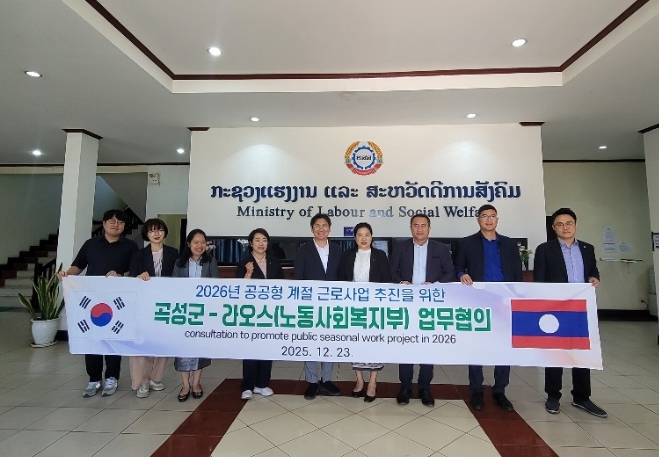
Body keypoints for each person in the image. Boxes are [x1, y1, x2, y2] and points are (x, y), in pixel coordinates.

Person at [534, 207, 607, 418]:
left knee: (581, 352)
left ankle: (582, 397)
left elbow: (592, 270)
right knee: (555, 352)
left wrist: (594, 277)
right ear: (553, 227)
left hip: (580, 309)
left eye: (569, 223)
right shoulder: (545, 249)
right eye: (560, 224)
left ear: (575, 224)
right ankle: (553, 396)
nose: (565, 227)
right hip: (555, 309)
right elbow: (539, 279)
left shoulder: (587, 248)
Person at [58, 209, 139, 398]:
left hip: (117, 302)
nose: (116, 224)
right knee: (92, 338)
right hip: (92, 302)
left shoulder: (131, 246)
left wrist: (120, 275)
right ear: (104, 224)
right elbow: (78, 266)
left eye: (120, 222)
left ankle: (112, 377)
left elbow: (135, 271)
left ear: (124, 226)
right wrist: (66, 274)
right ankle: (94, 378)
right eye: (112, 221)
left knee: (113, 338)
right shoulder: (91, 244)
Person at [455, 204, 521, 412]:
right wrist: (461, 274)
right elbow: (458, 266)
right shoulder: (467, 243)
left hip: (504, 301)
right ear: (478, 220)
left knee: (503, 348)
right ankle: (476, 391)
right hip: (478, 301)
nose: (489, 219)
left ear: (497, 220)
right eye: (485, 216)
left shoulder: (509, 244)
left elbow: (517, 273)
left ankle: (500, 391)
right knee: (477, 347)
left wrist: (516, 297)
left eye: (493, 216)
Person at [390, 213, 455, 407]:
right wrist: (400, 282)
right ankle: (405, 387)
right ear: (411, 228)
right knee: (406, 344)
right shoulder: (400, 247)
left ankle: (425, 387)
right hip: (406, 304)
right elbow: (391, 272)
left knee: (427, 345)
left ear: (429, 228)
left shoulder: (440, 248)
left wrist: (435, 285)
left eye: (423, 225)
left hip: (429, 305)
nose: (419, 229)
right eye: (416, 225)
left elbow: (450, 272)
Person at [338, 222, 391, 402]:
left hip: (375, 307)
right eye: (359, 235)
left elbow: (386, 281)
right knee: (356, 343)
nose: (363, 238)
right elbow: (341, 280)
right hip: (353, 307)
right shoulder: (347, 256)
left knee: (374, 343)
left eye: (367, 234)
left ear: (371, 237)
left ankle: (372, 383)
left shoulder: (380, 255)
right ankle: (359, 380)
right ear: (354, 238)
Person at [294, 213, 343, 400]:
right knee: (310, 341)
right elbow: (298, 278)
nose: (321, 229)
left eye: (324, 226)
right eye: (317, 226)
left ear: (329, 228)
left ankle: (327, 379)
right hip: (310, 305)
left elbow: (342, 277)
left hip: (332, 305)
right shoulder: (303, 250)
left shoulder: (338, 250)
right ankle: (312, 381)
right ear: (311, 229)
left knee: (329, 340)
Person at [128, 218, 178, 398]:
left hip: (165, 304)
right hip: (144, 305)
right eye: (152, 231)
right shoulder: (139, 255)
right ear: (146, 234)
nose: (156, 234)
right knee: (141, 343)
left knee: (162, 342)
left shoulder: (174, 253)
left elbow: (178, 278)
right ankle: (141, 381)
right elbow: (131, 277)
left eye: (159, 230)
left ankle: (155, 378)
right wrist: (138, 277)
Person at [236, 228, 284, 400]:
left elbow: (282, 287)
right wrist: (248, 273)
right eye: (257, 240)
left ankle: (262, 384)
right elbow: (238, 290)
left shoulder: (275, 263)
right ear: (250, 243)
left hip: (269, 312)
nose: (261, 243)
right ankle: (248, 386)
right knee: (250, 348)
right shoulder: (244, 263)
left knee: (266, 348)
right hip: (251, 313)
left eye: (264, 240)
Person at [172, 229, 218, 402]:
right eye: (196, 242)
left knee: (200, 347)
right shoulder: (180, 263)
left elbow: (216, 286)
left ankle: (197, 382)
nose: (200, 245)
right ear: (189, 244)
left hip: (203, 311)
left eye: (203, 242)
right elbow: (174, 286)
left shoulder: (211, 261)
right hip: (184, 311)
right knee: (183, 348)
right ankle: (185, 384)